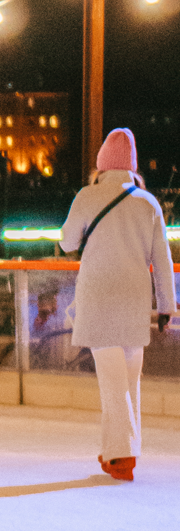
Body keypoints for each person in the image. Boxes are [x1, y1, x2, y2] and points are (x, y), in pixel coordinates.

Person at [60, 128, 175, 481]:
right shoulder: (149, 202)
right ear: (133, 166)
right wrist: (167, 305)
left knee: (112, 384)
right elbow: (163, 259)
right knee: (127, 382)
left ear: (102, 165)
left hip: (98, 299)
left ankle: (122, 456)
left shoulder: (86, 196)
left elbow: (67, 242)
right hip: (134, 301)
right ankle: (117, 452)